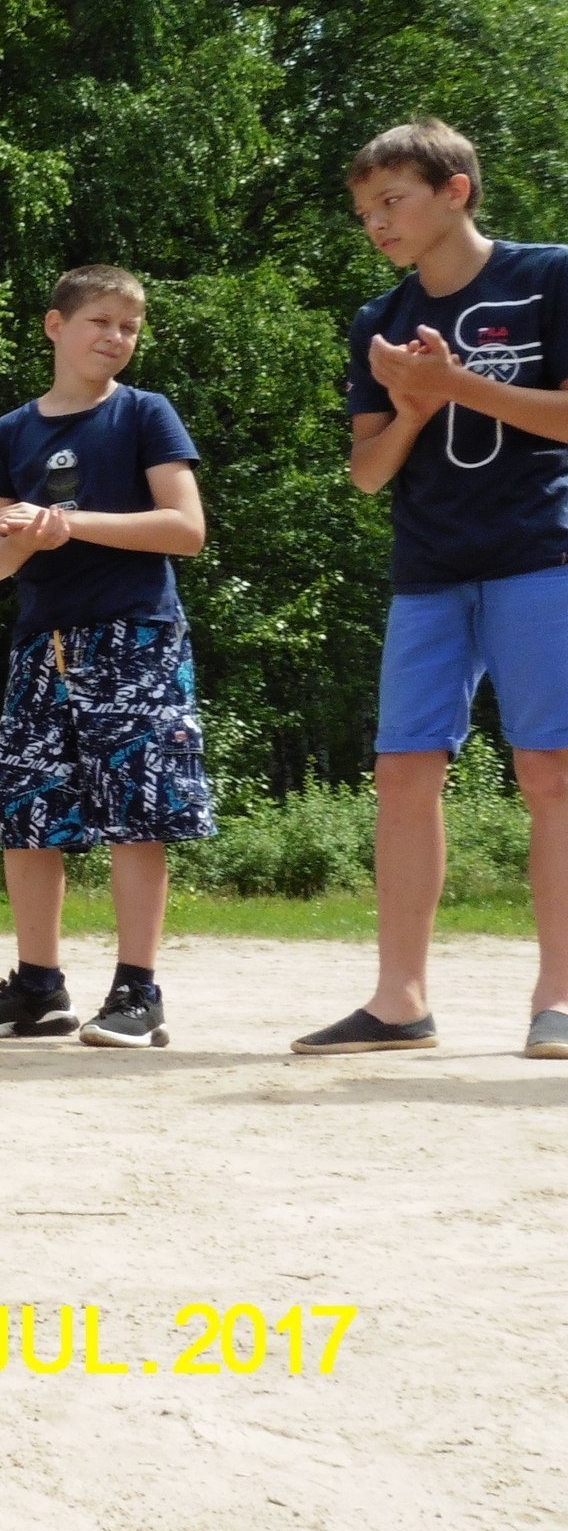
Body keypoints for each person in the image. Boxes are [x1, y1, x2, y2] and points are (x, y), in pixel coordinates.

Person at [301, 119, 568, 1058]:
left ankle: (558, 999)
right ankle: (399, 1000)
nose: (376, 223)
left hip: (544, 558)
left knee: (551, 774)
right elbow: (368, 473)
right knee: (404, 775)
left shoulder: (550, 278)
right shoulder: (377, 320)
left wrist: (457, 384)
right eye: (366, 210)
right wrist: (414, 408)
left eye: (393, 202)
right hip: (428, 574)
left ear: (456, 191)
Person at [0, 265, 212, 1049]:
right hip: (40, 645)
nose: (116, 338)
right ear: (56, 326)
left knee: (137, 811)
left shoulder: (144, 414)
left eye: (129, 326)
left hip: (136, 637)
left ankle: (137, 990)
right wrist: (19, 539)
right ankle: (38, 988)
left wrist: (71, 523)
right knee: (29, 812)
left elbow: (185, 529)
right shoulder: (12, 431)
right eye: (101, 322)